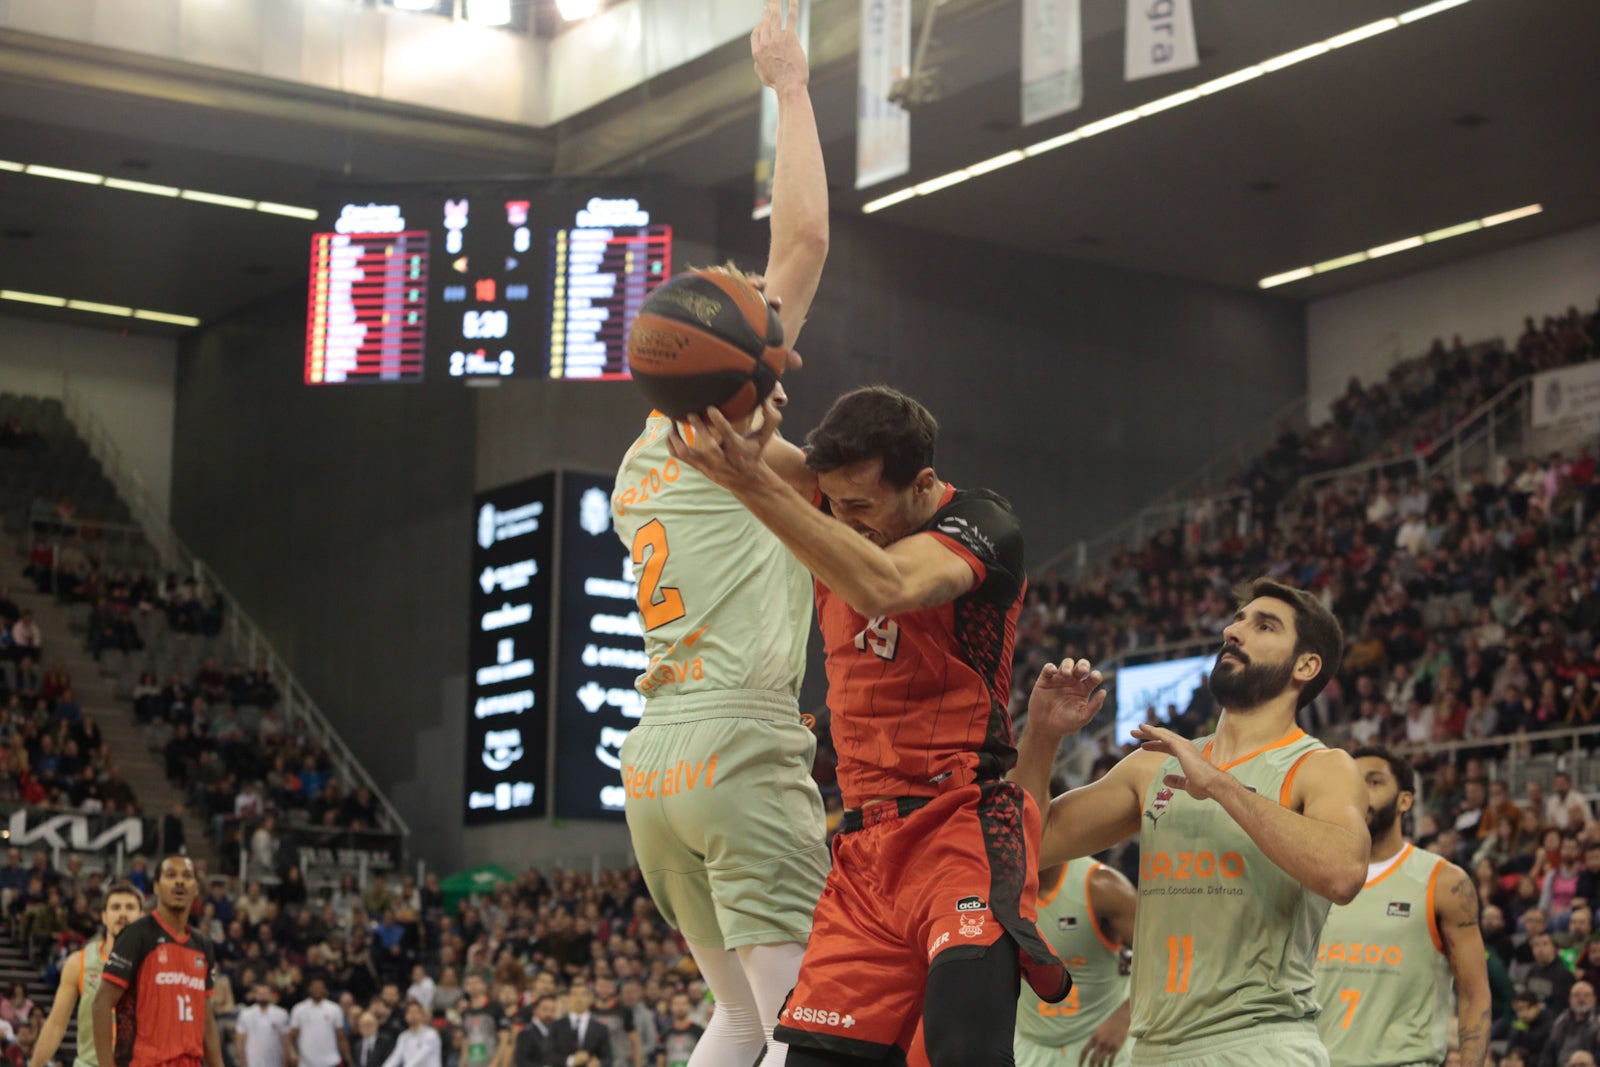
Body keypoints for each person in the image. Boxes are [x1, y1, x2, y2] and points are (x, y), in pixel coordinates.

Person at [670, 384, 1071, 1066]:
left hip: (959, 827)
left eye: (860, 506)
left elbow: (883, 584)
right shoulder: (834, 500)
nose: (843, 518)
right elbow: (739, 439)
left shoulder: (981, 524)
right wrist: (723, 376)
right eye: (832, 500)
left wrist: (752, 483)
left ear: (920, 484)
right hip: (863, 852)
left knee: (964, 1050)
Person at [608, 2, 829, 1065]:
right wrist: (788, 85)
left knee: (736, 1019)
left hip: (653, 765)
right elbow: (805, 241)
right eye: (737, 304)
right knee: (803, 1024)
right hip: (740, 739)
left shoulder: (639, 461)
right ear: (725, 362)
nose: (757, 299)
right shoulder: (736, 443)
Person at [1017, 578, 1369, 1067]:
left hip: (1256, 1043)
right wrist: (1040, 736)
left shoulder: (1322, 766)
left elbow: (1343, 872)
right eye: (1237, 620)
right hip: (1153, 1047)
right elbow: (1026, 844)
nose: (1233, 631)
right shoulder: (1153, 765)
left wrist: (1222, 785)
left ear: (1305, 666)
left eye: (1263, 626)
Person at [1312, 747, 1492, 1067]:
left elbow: (1475, 995)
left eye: (1375, 782)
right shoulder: (1312, 875)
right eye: (1352, 782)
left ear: (1405, 801)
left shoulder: (1444, 882)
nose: (1360, 792)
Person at [91, 856, 223, 1067]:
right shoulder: (137, 935)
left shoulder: (203, 945)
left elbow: (206, 1021)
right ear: (157, 887)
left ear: (196, 888)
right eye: (171, 875)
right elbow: (101, 1004)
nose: (179, 882)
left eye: (187, 876)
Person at [1014, 859, 1136, 1067]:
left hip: (1100, 1045)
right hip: (1028, 1044)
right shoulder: (998, 886)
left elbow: (1164, 957)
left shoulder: (1102, 885)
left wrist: (1127, 1014)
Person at [32, 882, 145, 1067]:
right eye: (116, 907)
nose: (123, 913)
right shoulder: (80, 962)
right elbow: (56, 1024)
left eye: (130, 907)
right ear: (104, 917)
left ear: (142, 917)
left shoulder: (155, 965)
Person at [286, 981, 351, 1067]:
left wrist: (349, 1061)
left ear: (325, 990)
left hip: (331, 1061)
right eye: (315, 988)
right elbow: (291, 1037)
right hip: (306, 1063)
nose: (317, 990)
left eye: (320, 988)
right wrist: (292, 1053)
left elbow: (341, 1038)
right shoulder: (299, 1009)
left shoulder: (334, 1009)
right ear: (309, 989)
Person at [1539, 983, 1600, 1067]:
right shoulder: (1561, 1020)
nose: (1581, 999)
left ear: (1594, 999)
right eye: (1576, 995)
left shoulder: (1598, 1021)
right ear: (1570, 999)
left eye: (1586, 995)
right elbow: (1549, 1050)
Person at [458, 977, 510, 1067]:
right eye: (469, 984)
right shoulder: (466, 1012)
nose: (472, 986)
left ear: (484, 985)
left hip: (491, 1060)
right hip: (472, 1061)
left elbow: (504, 1038)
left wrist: (496, 1062)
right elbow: (465, 1039)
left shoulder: (495, 1007)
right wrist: (462, 1063)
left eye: (475, 982)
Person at [552, 988, 611, 1067]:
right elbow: (548, 1055)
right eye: (575, 994)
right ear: (569, 998)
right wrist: (571, 1061)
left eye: (583, 994)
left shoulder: (601, 1029)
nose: (579, 998)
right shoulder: (556, 1026)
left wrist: (598, 1063)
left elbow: (608, 1058)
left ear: (590, 999)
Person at [233, 986, 288, 1067]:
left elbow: (286, 1042)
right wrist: (243, 1063)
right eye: (260, 993)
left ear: (271, 995)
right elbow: (239, 1042)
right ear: (255, 995)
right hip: (252, 1063)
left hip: (275, 1063)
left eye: (265, 993)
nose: (263, 996)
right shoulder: (246, 1014)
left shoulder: (281, 1014)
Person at [656, 995, 704, 1067]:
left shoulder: (699, 1031)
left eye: (683, 1004)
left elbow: (704, 1057)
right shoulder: (664, 1033)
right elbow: (660, 1059)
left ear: (689, 1006)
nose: (680, 1007)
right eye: (676, 1004)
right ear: (671, 1007)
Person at [513, 998, 560, 1067]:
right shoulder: (526, 1033)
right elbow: (521, 1061)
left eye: (552, 1010)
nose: (549, 1014)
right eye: (545, 1009)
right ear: (535, 1010)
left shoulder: (557, 1031)